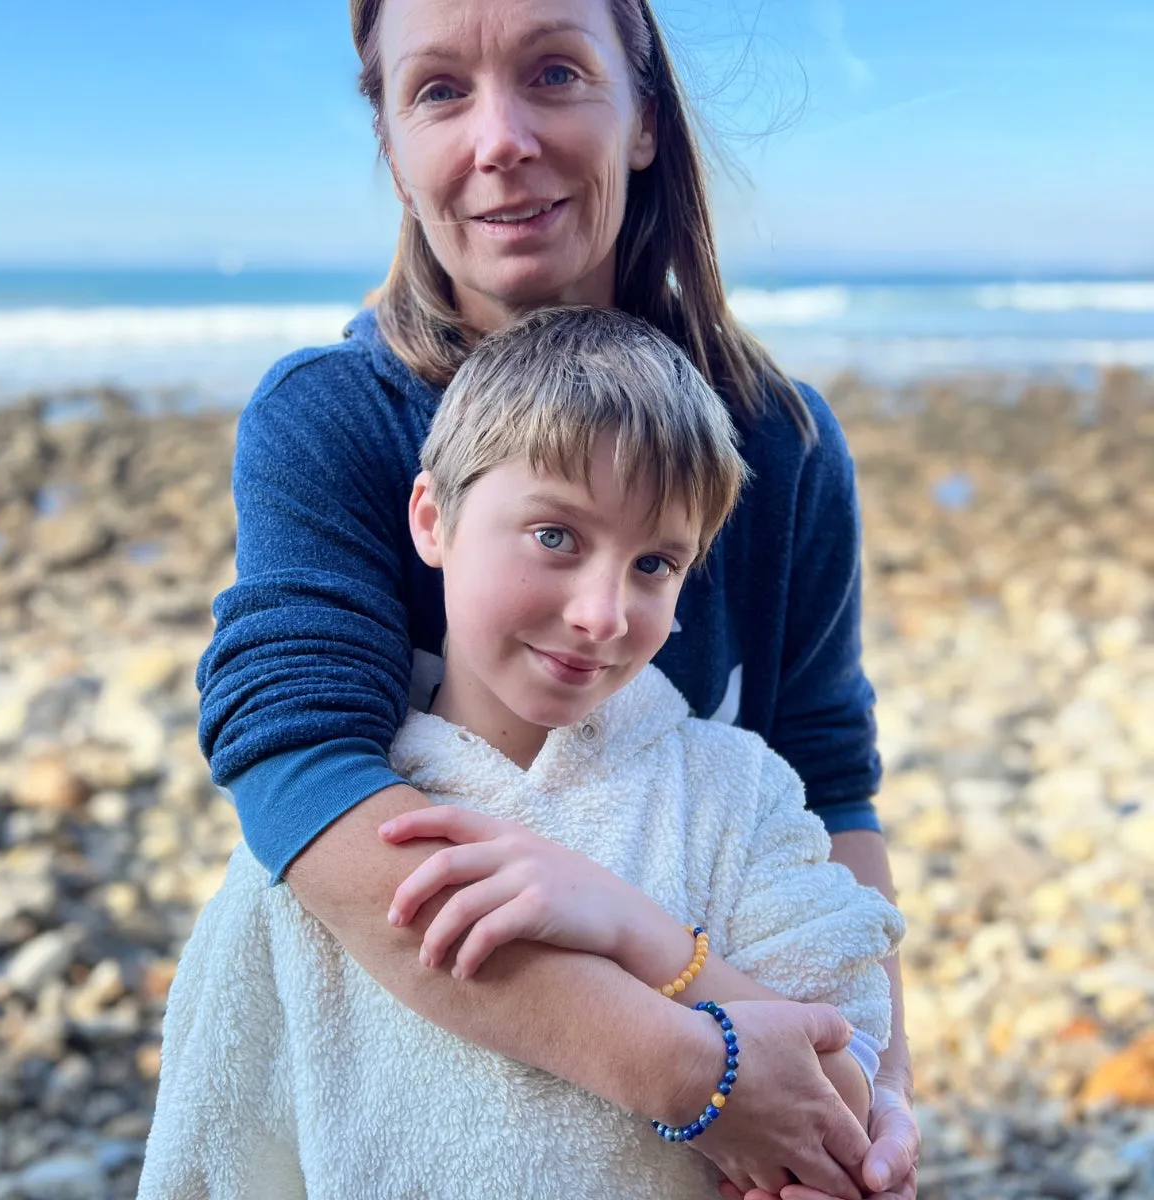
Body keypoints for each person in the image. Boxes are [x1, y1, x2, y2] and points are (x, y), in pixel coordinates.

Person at [195, 0, 921, 1196]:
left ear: (643, 116)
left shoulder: (780, 448)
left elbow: (830, 783)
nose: (500, 139)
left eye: (553, 72)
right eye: (438, 91)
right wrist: (696, 1072)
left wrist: (879, 1115)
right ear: (390, 143)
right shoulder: (334, 421)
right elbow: (298, 767)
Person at [142, 309, 905, 1200]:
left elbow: (845, 1097)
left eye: (655, 563)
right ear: (433, 518)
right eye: (556, 537)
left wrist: (638, 930)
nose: (603, 613)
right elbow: (216, 1157)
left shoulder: (739, 798)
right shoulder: (331, 843)